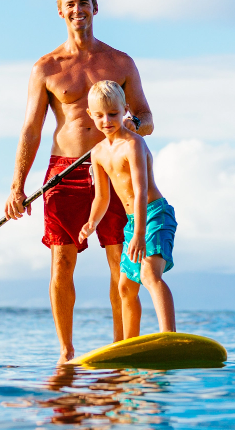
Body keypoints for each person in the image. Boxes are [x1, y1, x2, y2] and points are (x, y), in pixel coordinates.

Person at [5, 0, 154, 363]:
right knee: (62, 260)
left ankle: (123, 346)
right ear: (60, 11)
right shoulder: (46, 68)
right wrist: (17, 186)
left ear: (95, 8)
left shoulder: (120, 62)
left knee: (120, 259)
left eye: (84, 2)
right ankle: (67, 352)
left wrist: (126, 128)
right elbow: (31, 129)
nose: (77, 10)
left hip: (112, 166)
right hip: (63, 172)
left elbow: (147, 117)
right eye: (70, 4)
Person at [79, 81, 177, 339]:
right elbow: (102, 197)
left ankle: (168, 336)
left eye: (113, 113)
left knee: (148, 274)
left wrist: (139, 233)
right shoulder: (97, 153)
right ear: (90, 114)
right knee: (124, 287)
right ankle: (130, 344)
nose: (107, 120)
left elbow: (141, 190)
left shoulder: (133, 144)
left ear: (125, 110)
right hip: (134, 222)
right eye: (99, 115)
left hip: (154, 215)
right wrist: (91, 223)